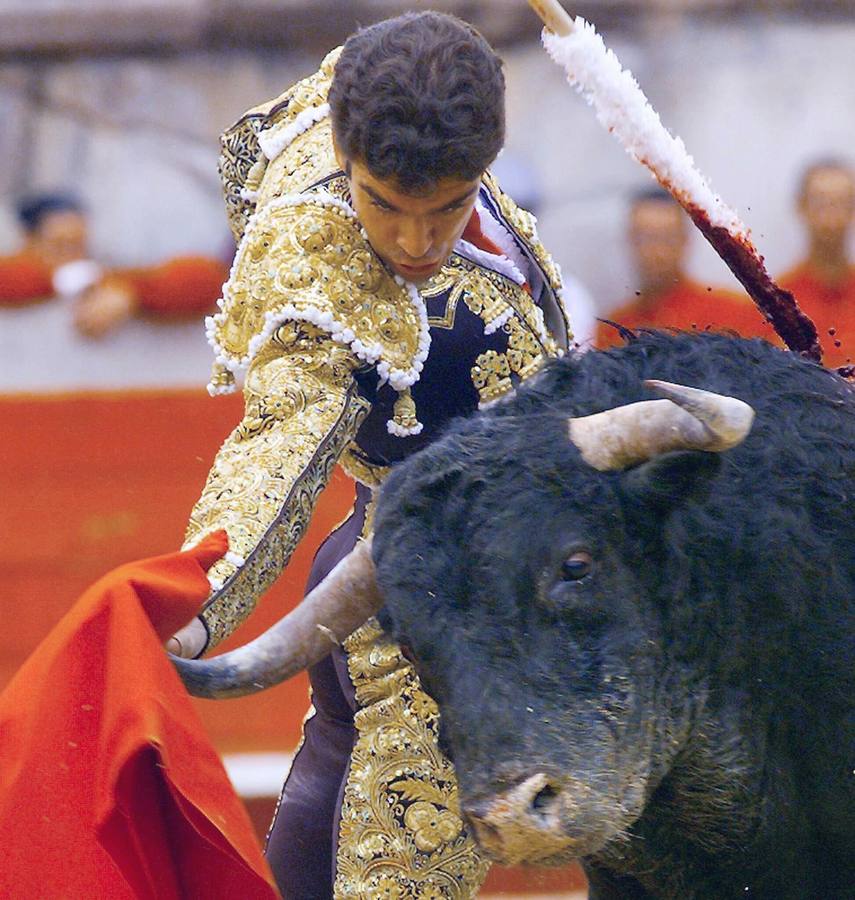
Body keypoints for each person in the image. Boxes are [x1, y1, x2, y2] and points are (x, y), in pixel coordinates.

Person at [168, 12, 571, 897]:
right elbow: (283, 437)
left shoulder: (384, 103)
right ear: (348, 157)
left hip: (409, 577)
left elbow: (280, 125)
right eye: (383, 203)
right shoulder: (318, 264)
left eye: (449, 205)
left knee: (326, 804)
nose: (416, 242)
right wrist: (195, 602)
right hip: (430, 611)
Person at [0, 192, 228, 337]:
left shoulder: (107, 282)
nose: (72, 256)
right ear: (28, 241)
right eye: (59, 246)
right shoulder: (18, 276)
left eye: (79, 246)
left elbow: (207, 278)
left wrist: (132, 293)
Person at [597, 187, 769, 348]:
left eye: (666, 238)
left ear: (685, 240)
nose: (655, 251)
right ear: (629, 240)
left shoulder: (733, 314)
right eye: (645, 238)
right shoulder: (613, 328)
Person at [778, 158, 855, 368]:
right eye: (821, 203)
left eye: (842, 203)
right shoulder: (778, 303)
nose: (831, 217)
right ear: (801, 206)